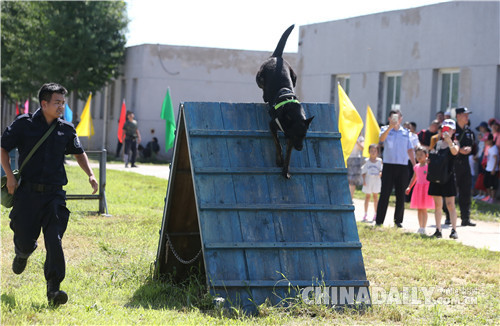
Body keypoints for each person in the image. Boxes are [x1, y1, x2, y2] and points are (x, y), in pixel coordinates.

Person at [0, 83, 98, 306]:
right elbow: (3, 147)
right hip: (27, 194)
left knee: (54, 239)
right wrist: (10, 175)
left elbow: (78, 152)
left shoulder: (66, 128)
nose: (61, 106)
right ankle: (23, 252)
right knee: (24, 237)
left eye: (63, 102)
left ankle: (54, 289)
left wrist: (90, 174)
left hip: (54, 194)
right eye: (57, 102)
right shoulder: (24, 124)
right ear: (44, 104)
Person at [375, 109, 416, 228]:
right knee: (385, 193)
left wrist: (414, 165)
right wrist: (389, 127)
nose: (396, 120)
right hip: (388, 165)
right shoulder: (385, 130)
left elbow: (410, 149)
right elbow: (381, 140)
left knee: (400, 194)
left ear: (401, 119)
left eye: (398, 117)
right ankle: (379, 220)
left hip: (402, 166)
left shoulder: (406, 132)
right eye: (393, 117)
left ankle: (398, 220)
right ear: (389, 118)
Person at [428, 119, 460, 239]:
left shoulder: (455, 143)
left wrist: (449, 141)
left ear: (453, 131)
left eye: (448, 129)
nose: (445, 131)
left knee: (450, 204)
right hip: (437, 177)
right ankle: (438, 230)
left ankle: (454, 230)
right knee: (437, 205)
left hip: (449, 177)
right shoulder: (437, 143)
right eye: (444, 129)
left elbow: (455, 152)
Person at [454, 107, 476, 226]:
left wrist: (469, 149)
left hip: (465, 164)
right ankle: (448, 215)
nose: (467, 117)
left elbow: (472, 145)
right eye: (465, 115)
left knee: (466, 191)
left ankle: (465, 218)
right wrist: (459, 150)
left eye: (468, 115)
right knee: (451, 191)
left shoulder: (469, 131)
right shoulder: (453, 130)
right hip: (454, 164)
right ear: (458, 116)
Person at [405, 147, 434, 234]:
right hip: (418, 189)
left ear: (426, 155)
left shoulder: (428, 166)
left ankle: (423, 227)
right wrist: (409, 187)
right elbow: (414, 178)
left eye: (421, 155)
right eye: (417, 155)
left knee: (424, 209)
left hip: (426, 189)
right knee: (419, 209)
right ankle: (420, 226)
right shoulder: (416, 167)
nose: (419, 157)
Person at [361, 144, 382, 222]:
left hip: (376, 180)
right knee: (367, 197)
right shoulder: (366, 161)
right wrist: (364, 180)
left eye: (375, 151)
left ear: (377, 152)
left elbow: (381, 170)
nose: (373, 152)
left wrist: (380, 173)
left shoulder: (379, 161)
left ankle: (376, 214)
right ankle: (365, 214)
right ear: (369, 151)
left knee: (375, 197)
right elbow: (363, 172)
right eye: (371, 151)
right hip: (368, 180)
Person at [473, 122, 491, 200]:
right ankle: (480, 193)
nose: (480, 130)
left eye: (481, 128)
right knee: (480, 175)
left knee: (484, 176)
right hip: (481, 158)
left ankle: (485, 194)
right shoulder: (482, 137)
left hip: (486, 158)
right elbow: (480, 149)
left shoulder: (488, 135)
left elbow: (486, 148)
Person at [482, 133, 499, 203]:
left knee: (493, 184)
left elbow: (496, 159)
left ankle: (492, 198)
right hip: (488, 168)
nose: (486, 142)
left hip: (493, 169)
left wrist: (494, 169)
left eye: (487, 141)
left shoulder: (494, 149)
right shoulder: (489, 148)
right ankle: (489, 196)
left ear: (491, 140)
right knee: (486, 183)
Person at [347, 135, 364, 201]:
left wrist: (356, 141)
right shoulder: (347, 134)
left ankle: (350, 198)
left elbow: (362, 148)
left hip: (356, 159)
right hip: (347, 157)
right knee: (346, 180)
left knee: (353, 181)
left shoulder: (360, 138)